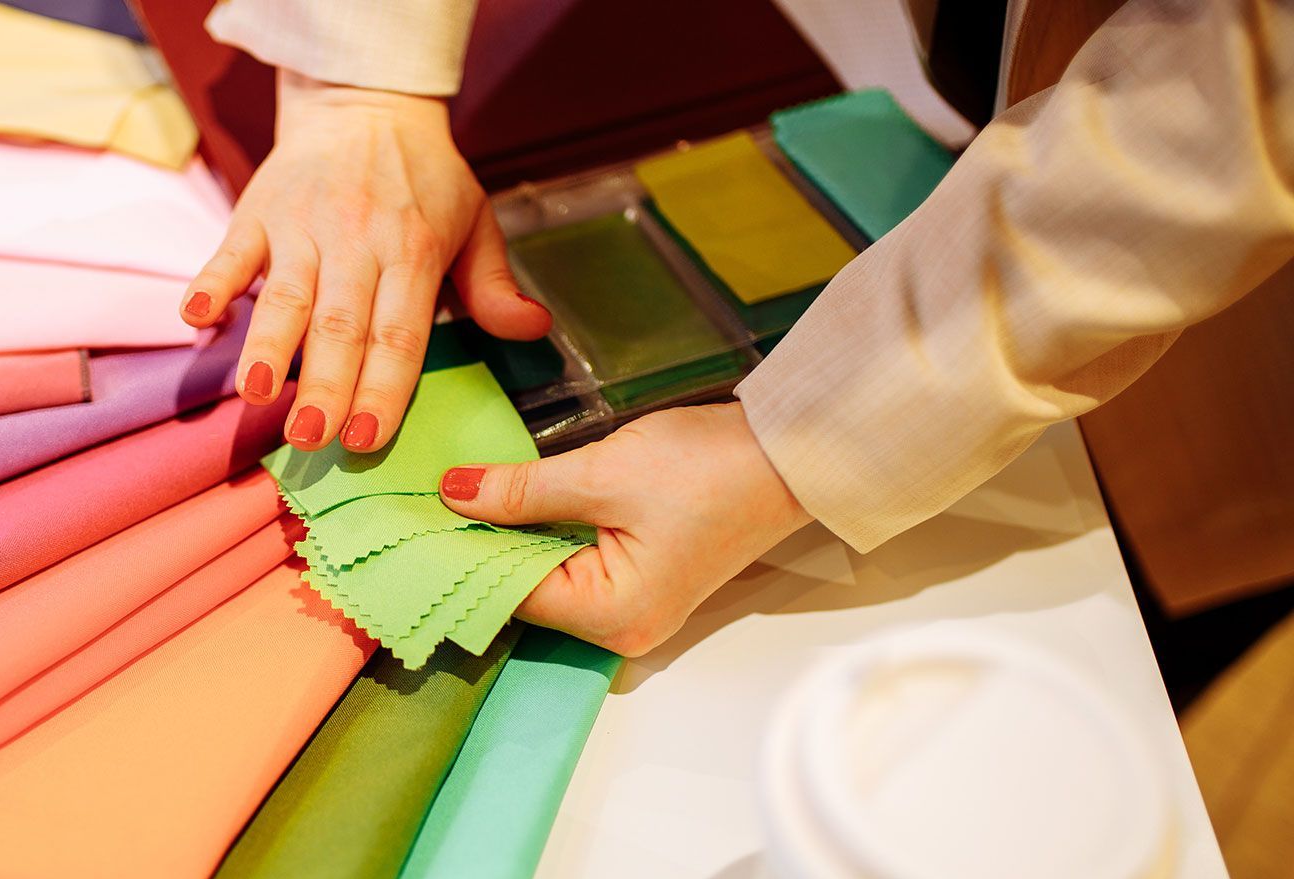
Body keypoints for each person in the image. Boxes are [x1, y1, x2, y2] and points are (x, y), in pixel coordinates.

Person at [175, 0, 1294, 656]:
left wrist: (790, 448)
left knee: (1107, 639)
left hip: (1225, 300)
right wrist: (359, 78)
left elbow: (1232, 102)